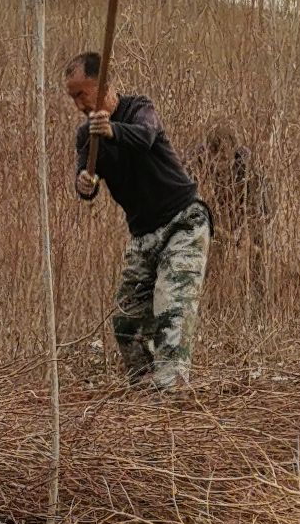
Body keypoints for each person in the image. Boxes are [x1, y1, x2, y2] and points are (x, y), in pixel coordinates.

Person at [62, 52, 212, 393]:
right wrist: (84, 184)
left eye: (82, 94)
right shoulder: (87, 136)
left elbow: (144, 137)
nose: (78, 104)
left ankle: (171, 395)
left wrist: (113, 129)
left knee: (171, 311)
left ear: (102, 86)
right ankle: (146, 390)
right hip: (143, 234)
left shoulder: (139, 109)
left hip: (183, 223)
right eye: (72, 97)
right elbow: (86, 180)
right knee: (126, 321)